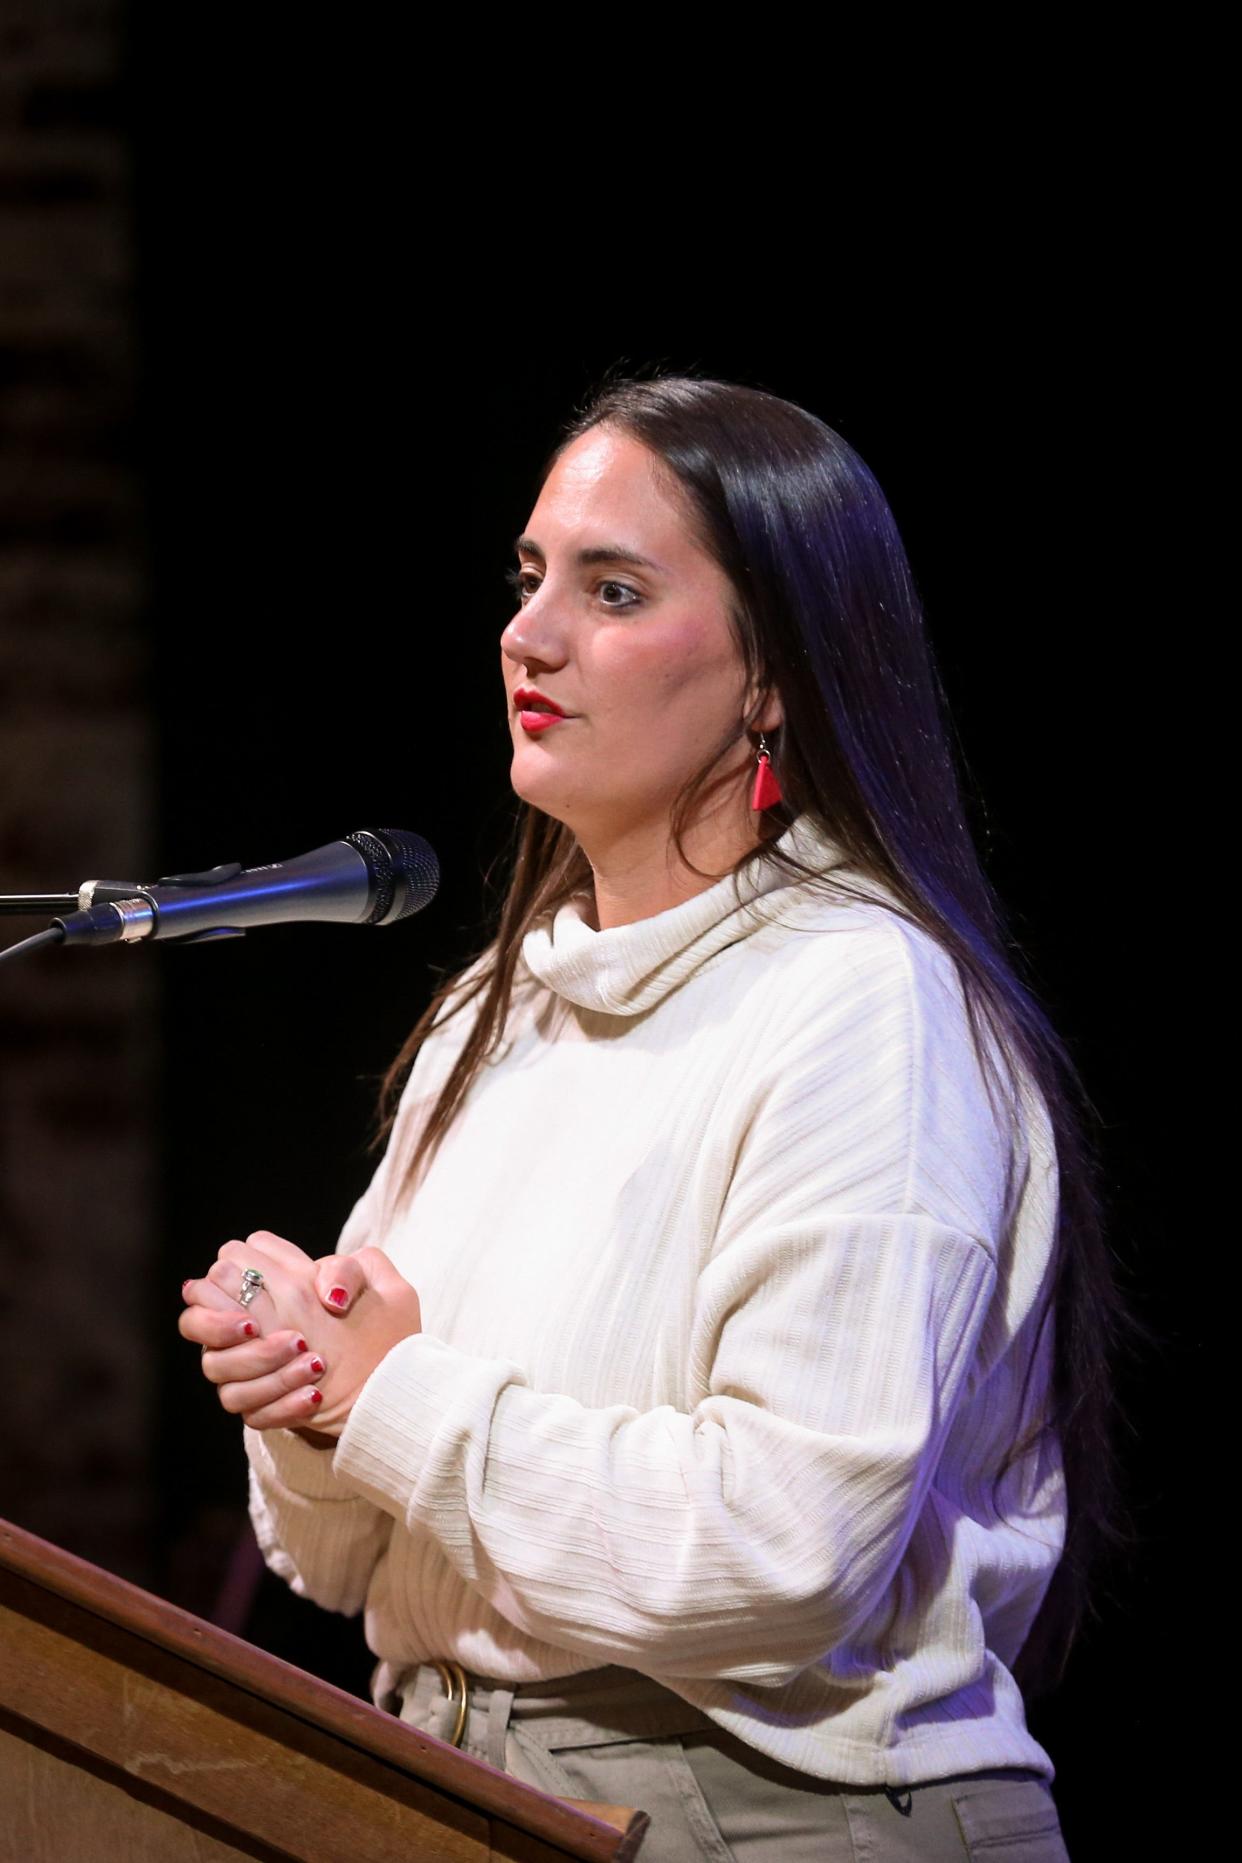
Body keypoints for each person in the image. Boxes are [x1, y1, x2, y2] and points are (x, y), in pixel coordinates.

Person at [180, 375, 1119, 1860]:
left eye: (611, 590)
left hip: (777, 1816)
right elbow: (346, 1564)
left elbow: (787, 1546)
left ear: (774, 678)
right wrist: (311, 1398)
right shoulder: (498, 1016)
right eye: (529, 577)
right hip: (452, 1780)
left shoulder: (859, 1000)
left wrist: (389, 1393)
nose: (528, 633)